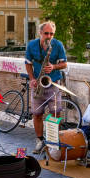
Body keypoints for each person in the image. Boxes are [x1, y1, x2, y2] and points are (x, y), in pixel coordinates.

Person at [25, 21, 67, 154]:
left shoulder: (58, 45)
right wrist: (32, 78)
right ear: (40, 33)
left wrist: (54, 66)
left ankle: (54, 141)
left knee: (55, 113)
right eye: (46, 33)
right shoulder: (31, 45)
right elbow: (27, 63)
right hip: (38, 84)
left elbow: (65, 64)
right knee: (37, 115)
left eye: (51, 34)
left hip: (53, 83)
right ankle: (39, 141)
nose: (49, 36)